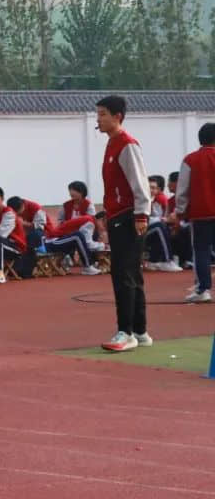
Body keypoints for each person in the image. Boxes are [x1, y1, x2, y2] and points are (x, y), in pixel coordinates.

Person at [96, 95, 153, 352]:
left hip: (129, 217)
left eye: (103, 114)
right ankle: (140, 331)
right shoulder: (112, 144)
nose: (99, 119)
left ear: (117, 116)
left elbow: (140, 183)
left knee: (123, 275)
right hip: (118, 216)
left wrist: (141, 215)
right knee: (132, 274)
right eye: (98, 114)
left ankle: (126, 332)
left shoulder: (127, 145)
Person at [175, 122, 215, 303]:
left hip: (201, 213)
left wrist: (180, 211)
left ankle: (203, 289)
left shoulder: (190, 160)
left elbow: (182, 190)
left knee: (201, 251)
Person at [145, 175, 180, 272]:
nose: (151, 190)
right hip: (137, 230)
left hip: (148, 227)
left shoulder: (158, 199)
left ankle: (154, 260)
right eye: (149, 187)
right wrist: (163, 219)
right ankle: (167, 260)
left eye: (154, 188)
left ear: (158, 189)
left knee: (161, 227)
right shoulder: (143, 200)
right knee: (159, 226)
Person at [167, 172, 194, 270]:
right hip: (175, 226)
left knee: (186, 229)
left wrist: (178, 222)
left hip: (188, 225)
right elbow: (167, 216)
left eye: (169, 182)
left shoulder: (190, 197)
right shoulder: (170, 201)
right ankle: (174, 258)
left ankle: (189, 259)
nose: (167, 185)